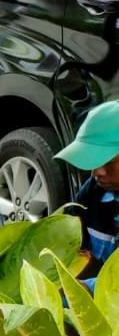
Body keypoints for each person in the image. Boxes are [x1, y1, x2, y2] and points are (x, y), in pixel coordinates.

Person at [55, 101, 119, 283]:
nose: (97, 172)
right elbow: (63, 239)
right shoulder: (94, 190)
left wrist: (81, 290)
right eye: (94, 161)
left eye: (107, 162)